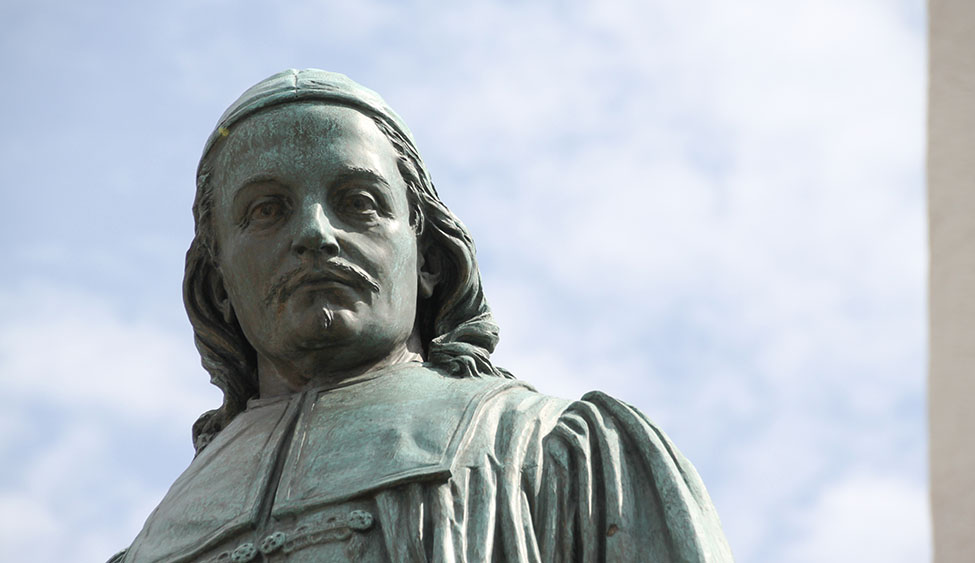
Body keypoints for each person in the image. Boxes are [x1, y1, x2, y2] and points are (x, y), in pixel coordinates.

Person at [112, 69, 733, 563]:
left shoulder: (563, 457)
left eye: (359, 202)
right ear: (218, 285)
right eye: (267, 210)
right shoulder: (153, 541)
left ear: (429, 256)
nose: (315, 234)